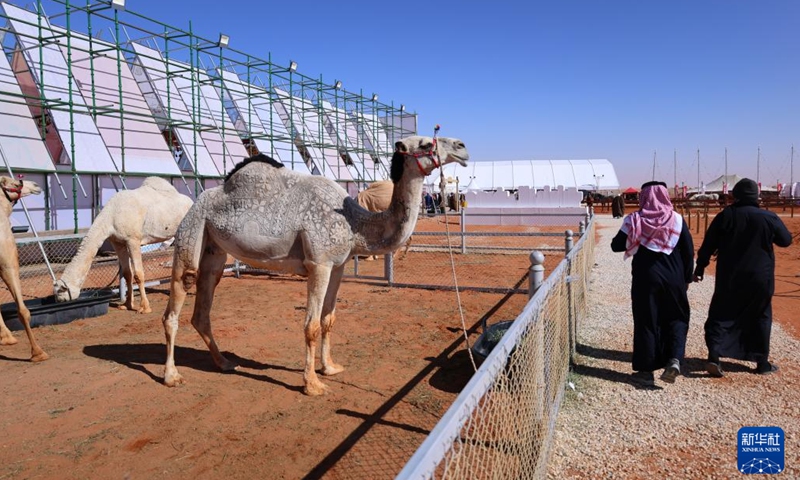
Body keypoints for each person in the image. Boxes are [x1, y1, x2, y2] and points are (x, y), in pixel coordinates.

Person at [693, 178, 792, 377]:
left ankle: (714, 357)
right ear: (756, 196)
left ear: (735, 196)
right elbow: (785, 241)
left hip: (730, 276)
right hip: (760, 278)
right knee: (760, 315)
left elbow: (708, 245)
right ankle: (762, 363)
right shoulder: (768, 217)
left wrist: (700, 268)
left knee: (721, 313)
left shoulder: (725, 216)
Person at [611, 181, 694, 387]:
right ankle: (674, 359)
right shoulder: (677, 220)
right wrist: (686, 278)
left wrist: (635, 238)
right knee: (676, 317)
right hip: (674, 278)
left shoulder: (634, 220)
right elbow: (688, 251)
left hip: (645, 278)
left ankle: (646, 371)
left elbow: (616, 245)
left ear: (643, 197)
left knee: (646, 320)